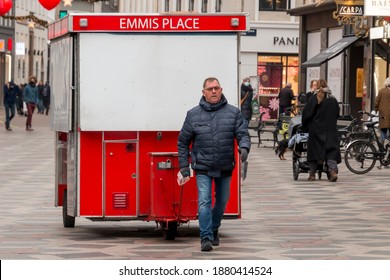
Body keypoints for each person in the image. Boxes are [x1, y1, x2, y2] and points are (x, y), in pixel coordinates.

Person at [177, 77, 251, 252]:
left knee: (222, 201)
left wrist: (244, 147)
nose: (214, 91)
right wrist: (183, 166)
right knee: (204, 201)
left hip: (225, 165)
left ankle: (214, 226)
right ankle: (206, 237)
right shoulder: (193, 114)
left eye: (216, 88)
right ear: (203, 92)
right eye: (210, 89)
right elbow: (182, 142)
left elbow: (243, 134)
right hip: (202, 165)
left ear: (221, 89)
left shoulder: (233, 113)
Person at [302, 79, 341, 182]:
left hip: (316, 130)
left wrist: (305, 126)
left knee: (314, 151)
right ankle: (332, 172)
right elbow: (337, 114)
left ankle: (312, 174)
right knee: (331, 150)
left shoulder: (313, 98)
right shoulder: (333, 99)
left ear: (317, 87)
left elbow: (307, 114)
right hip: (330, 130)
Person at [374, 77, 390, 144]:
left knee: (383, 131)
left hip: (383, 116)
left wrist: (376, 110)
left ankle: (381, 148)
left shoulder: (382, 91)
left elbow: (376, 102)